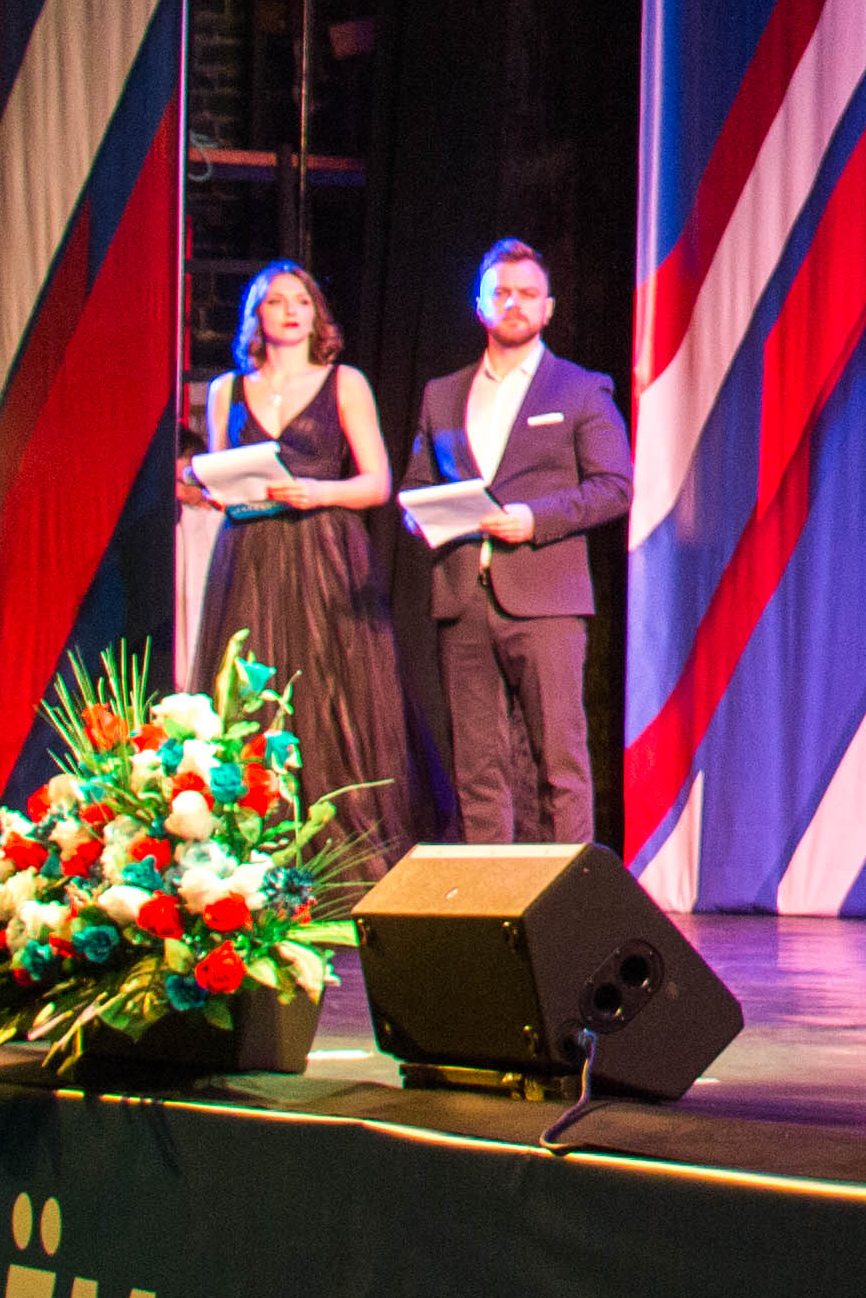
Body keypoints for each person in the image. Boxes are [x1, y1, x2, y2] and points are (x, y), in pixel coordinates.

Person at [180, 260, 411, 870]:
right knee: (249, 691)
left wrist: (318, 492)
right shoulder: (227, 389)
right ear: (256, 315)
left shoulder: (344, 383)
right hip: (250, 551)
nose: (289, 310)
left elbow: (377, 482)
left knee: (328, 692)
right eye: (276, 301)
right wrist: (211, 488)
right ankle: (253, 852)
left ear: (315, 316)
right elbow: (221, 474)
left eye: (301, 301)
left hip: (322, 547)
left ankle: (340, 855)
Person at [403, 239, 631, 850]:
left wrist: (534, 519)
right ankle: (492, 897)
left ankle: (570, 891)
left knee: (559, 762)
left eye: (528, 294)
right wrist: (425, 517)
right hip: (463, 598)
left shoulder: (579, 389)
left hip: (545, 597)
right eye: (501, 293)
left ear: (548, 308)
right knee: (477, 769)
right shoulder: (442, 394)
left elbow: (614, 487)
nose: (514, 304)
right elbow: (416, 487)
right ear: (479, 305)